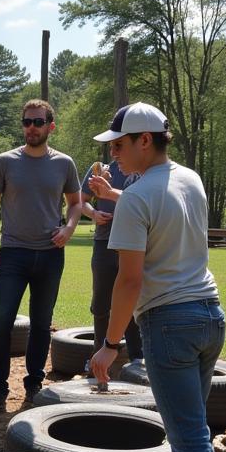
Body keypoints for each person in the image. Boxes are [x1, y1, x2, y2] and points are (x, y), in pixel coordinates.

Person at [89, 102, 225, 452]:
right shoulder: (189, 178)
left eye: (120, 144)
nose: (114, 153)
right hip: (211, 314)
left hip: (169, 323)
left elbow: (128, 282)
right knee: (196, 430)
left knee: (190, 440)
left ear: (144, 140)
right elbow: (157, 201)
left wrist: (109, 345)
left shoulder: (133, 198)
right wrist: (120, 194)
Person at [0, 99, 82, 413]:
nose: (31, 128)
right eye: (26, 122)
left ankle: (34, 385)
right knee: (1, 323)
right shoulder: (5, 162)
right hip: (14, 254)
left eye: (37, 122)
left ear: (51, 126)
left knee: (41, 324)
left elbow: (75, 203)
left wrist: (70, 228)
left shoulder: (65, 164)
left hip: (50, 254)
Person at [82, 139, 143, 371]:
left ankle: (138, 357)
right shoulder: (100, 169)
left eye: (119, 144)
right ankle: (98, 355)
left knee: (133, 298)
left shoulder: (142, 171)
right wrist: (94, 214)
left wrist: (110, 193)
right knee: (101, 302)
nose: (114, 150)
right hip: (104, 240)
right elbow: (81, 201)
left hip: (135, 242)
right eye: (111, 145)